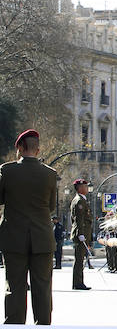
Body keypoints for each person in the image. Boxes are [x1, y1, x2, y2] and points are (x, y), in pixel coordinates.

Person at [0, 129, 58, 324]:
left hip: (14, 238)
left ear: (19, 148)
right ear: (38, 149)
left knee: (15, 286)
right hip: (42, 238)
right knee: (42, 287)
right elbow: (51, 206)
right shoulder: (50, 174)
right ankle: (42, 324)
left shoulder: (7, 171)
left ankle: (15, 325)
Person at [70, 178, 93, 289]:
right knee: (79, 259)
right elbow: (79, 219)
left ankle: (79, 282)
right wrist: (80, 233)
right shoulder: (79, 200)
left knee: (80, 258)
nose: (87, 188)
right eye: (84, 186)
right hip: (81, 232)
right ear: (79, 188)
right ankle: (77, 283)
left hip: (83, 232)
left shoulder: (81, 200)